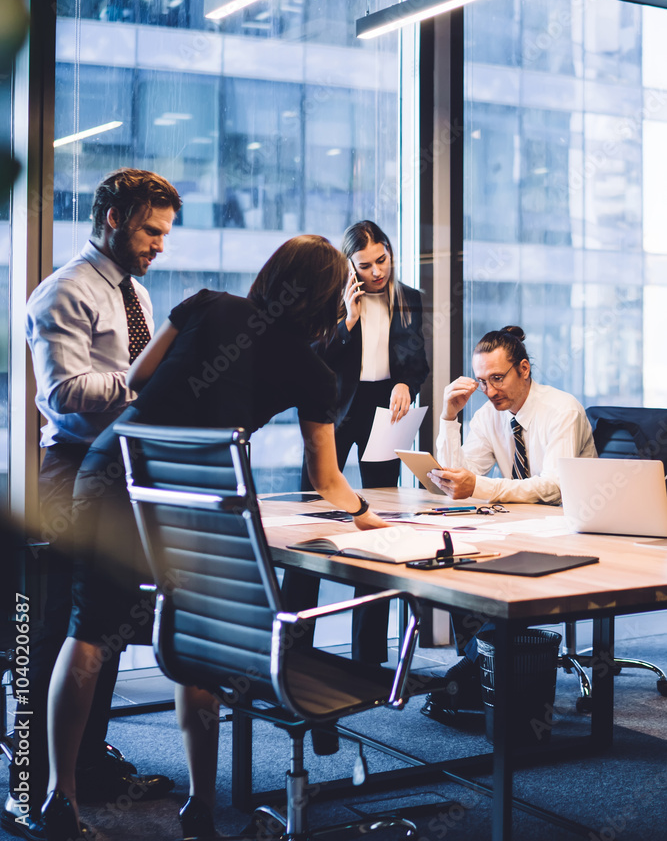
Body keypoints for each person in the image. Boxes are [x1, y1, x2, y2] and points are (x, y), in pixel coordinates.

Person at [39, 235, 391, 841]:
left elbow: (138, 378)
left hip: (116, 465)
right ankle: (199, 807)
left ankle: (57, 798)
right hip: (202, 489)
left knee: (88, 630)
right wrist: (365, 513)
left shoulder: (208, 303)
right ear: (330, 297)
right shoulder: (314, 370)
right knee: (195, 638)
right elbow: (326, 478)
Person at [3, 169, 181, 841]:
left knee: (102, 626)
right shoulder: (63, 291)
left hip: (122, 471)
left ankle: (84, 765)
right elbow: (62, 394)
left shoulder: (136, 292)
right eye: (150, 230)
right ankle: (28, 788)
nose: (159, 245)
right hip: (73, 471)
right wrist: (146, 382)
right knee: (56, 632)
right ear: (113, 218)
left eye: (164, 233)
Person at [420, 325, 597, 726]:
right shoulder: (489, 416)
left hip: (572, 530)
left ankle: (465, 678)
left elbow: (554, 487)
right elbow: (458, 479)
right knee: (462, 564)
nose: (489, 390)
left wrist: (479, 486)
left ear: (524, 369)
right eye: (482, 381)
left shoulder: (562, 411)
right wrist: (449, 417)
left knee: (497, 580)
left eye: (497, 378)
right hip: (524, 527)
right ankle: (480, 677)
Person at [296, 220, 429, 664]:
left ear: (390, 253)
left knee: (379, 523)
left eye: (382, 261)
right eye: (365, 266)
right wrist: (347, 323)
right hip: (333, 412)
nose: (376, 273)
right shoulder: (329, 298)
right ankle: (294, 648)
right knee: (311, 524)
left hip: (384, 413)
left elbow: (418, 363)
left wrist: (407, 384)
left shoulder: (410, 299)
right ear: (349, 266)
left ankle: (368, 656)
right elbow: (310, 360)